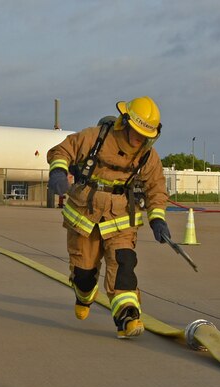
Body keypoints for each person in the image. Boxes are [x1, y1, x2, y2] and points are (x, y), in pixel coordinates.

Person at [47, 96, 170, 339]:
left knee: (124, 266)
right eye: (136, 132)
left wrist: (158, 219)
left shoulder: (148, 155)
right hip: (85, 216)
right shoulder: (96, 137)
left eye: (145, 135)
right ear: (125, 123)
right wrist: (59, 171)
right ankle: (84, 293)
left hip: (121, 218)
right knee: (83, 274)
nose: (139, 139)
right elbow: (63, 150)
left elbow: (156, 187)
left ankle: (127, 318)